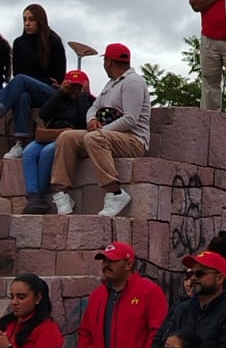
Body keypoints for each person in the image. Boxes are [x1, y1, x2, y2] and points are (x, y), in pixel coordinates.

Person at [50, 42, 151, 218]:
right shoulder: (110, 84)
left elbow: (130, 119)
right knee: (67, 137)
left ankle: (115, 192)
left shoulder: (133, 82)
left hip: (133, 140)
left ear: (108, 62)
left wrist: (100, 132)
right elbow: (94, 108)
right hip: (107, 136)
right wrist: (92, 119)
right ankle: (62, 193)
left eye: (105, 61)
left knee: (93, 139)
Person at [18, 69, 91, 213]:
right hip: (51, 134)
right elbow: (43, 114)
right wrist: (60, 93)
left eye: (78, 86)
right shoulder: (59, 98)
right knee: (29, 152)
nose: (75, 90)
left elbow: (84, 122)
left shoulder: (88, 101)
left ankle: (40, 194)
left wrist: (83, 96)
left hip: (68, 138)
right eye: (72, 86)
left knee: (47, 152)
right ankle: (33, 195)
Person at [0, 4, 68, 158]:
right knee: (22, 96)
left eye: (31, 19)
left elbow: (59, 77)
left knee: (21, 81)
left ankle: (1, 105)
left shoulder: (53, 41)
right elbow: (18, 72)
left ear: (40, 21)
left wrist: (31, 81)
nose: (27, 23)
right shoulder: (19, 43)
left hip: (49, 92)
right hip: (29, 90)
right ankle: (20, 142)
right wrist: (32, 81)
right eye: (24, 19)